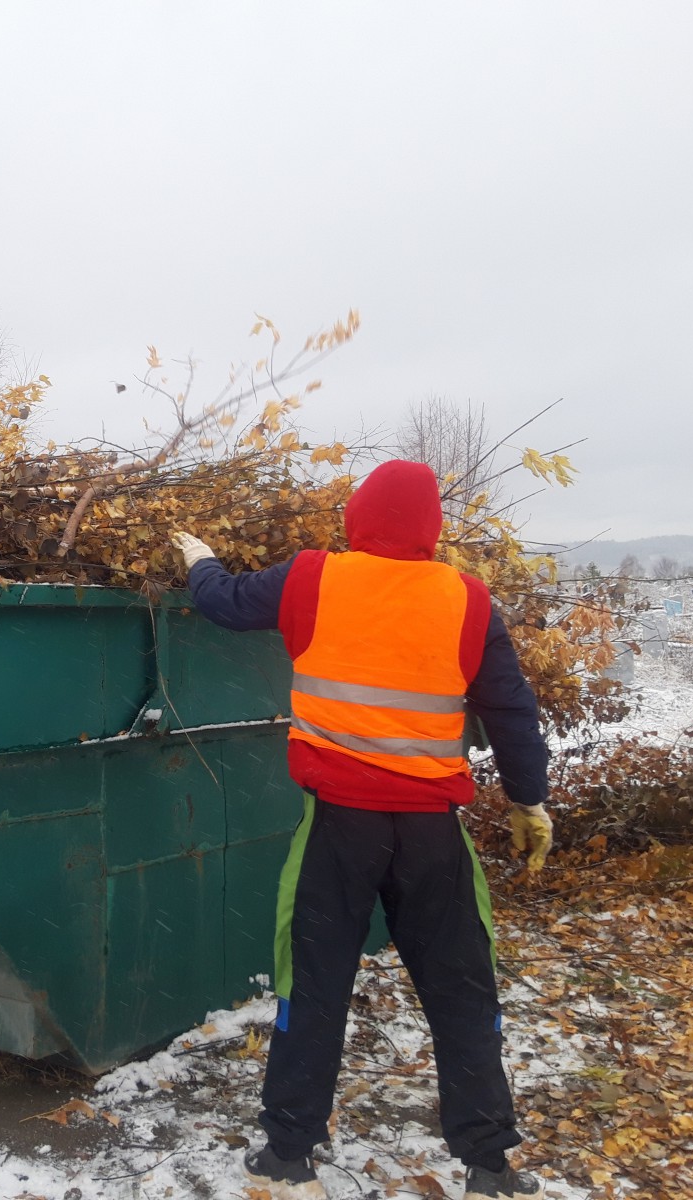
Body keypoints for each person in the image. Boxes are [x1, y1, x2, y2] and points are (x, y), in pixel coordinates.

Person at [172, 459, 553, 1200]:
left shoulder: (315, 577)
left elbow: (223, 603)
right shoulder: (467, 600)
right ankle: (489, 1165)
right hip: (432, 837)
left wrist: (199, 561)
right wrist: (527, 799)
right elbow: (511, 708)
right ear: (431, 531)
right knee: (461, 992)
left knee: (313, 984)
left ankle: (289, 1151)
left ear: (357, 517)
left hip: (337, 830)